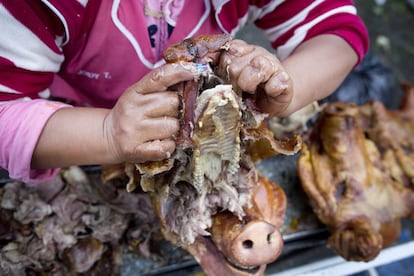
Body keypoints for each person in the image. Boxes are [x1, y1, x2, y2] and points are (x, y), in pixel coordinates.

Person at [0, 0, 369, 184]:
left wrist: (283, 84)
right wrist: (106, 133)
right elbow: (5, 108)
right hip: (78, 129)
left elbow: (336, 33)